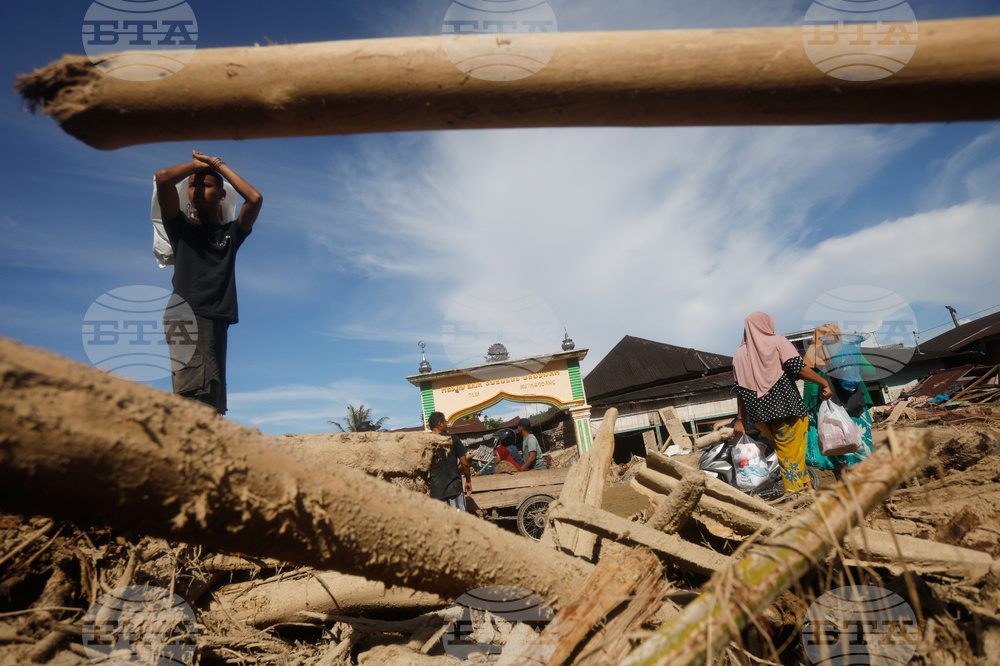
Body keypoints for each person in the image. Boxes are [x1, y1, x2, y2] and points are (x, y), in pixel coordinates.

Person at [155, 150, 262, 415]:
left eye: (207, 185)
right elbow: (163, 178)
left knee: (212, 396)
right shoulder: (181, 227)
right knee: (196, 395)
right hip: (187, 315)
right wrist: (197, 165)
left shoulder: (230, 234)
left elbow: (254, 198)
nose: (198, 190)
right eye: (193, 186)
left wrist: (217, 165)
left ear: (222, 195)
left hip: (216, 318)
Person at [732, 312, 833, 494]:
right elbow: (798, 368)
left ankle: (809, 489)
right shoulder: (777, 341)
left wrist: (740, 419)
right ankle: (792, 499)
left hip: (760, 417)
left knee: (791, 452)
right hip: (786, 411)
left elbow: (739, 390)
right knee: (790, 456)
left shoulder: (738, 354)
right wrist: (823, 383)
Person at [803, 323, 875, 478]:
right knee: (860, 447)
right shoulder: (849, 351)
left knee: (836, 447)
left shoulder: (811, 356)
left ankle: (845, 485)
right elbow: (870, 372)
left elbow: (808, 388)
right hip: (855, 405)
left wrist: (809, 409)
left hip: (827, 410)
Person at [427, 412, 473, 511]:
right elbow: (465, 463)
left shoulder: (427, 444)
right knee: (459, 519)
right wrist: (468, 481)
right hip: (454, 489)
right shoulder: (453, 439)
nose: (446, 425)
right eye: (445, 422)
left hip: (436, 492)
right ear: (440, 423)